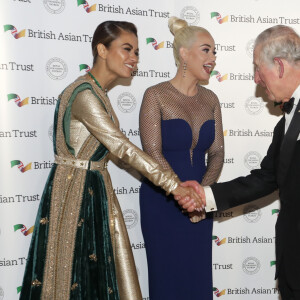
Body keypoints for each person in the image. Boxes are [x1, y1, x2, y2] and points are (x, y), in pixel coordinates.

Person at [19, 21, 203, 300]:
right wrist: (175, 186)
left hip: (91, 189)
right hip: (74, 193)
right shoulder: (84, 95)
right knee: (72, 274)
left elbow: (122, 156)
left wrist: (170, 188)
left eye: (137, 52)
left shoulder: (98, 94)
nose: (134, 58)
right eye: (126, 49)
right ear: (102, 50)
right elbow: (123, 149)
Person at [179, 25, 300, 300]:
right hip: (292, 263)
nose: (257, 79)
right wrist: (205, 195)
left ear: (279, 66)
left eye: (258, 68)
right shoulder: (286, 123)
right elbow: (266, 178)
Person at [139, 17, 224, 300]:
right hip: (162, 200)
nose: (212, 58)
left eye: (214, 51)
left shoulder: (211, 99)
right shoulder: (156, 95)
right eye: (206, 50)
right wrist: (181, 192)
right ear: (184, 53)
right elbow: (152, 152)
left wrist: (202, 195)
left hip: (200, 204)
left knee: (197, 276)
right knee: (167, 278)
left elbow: (217, 152)